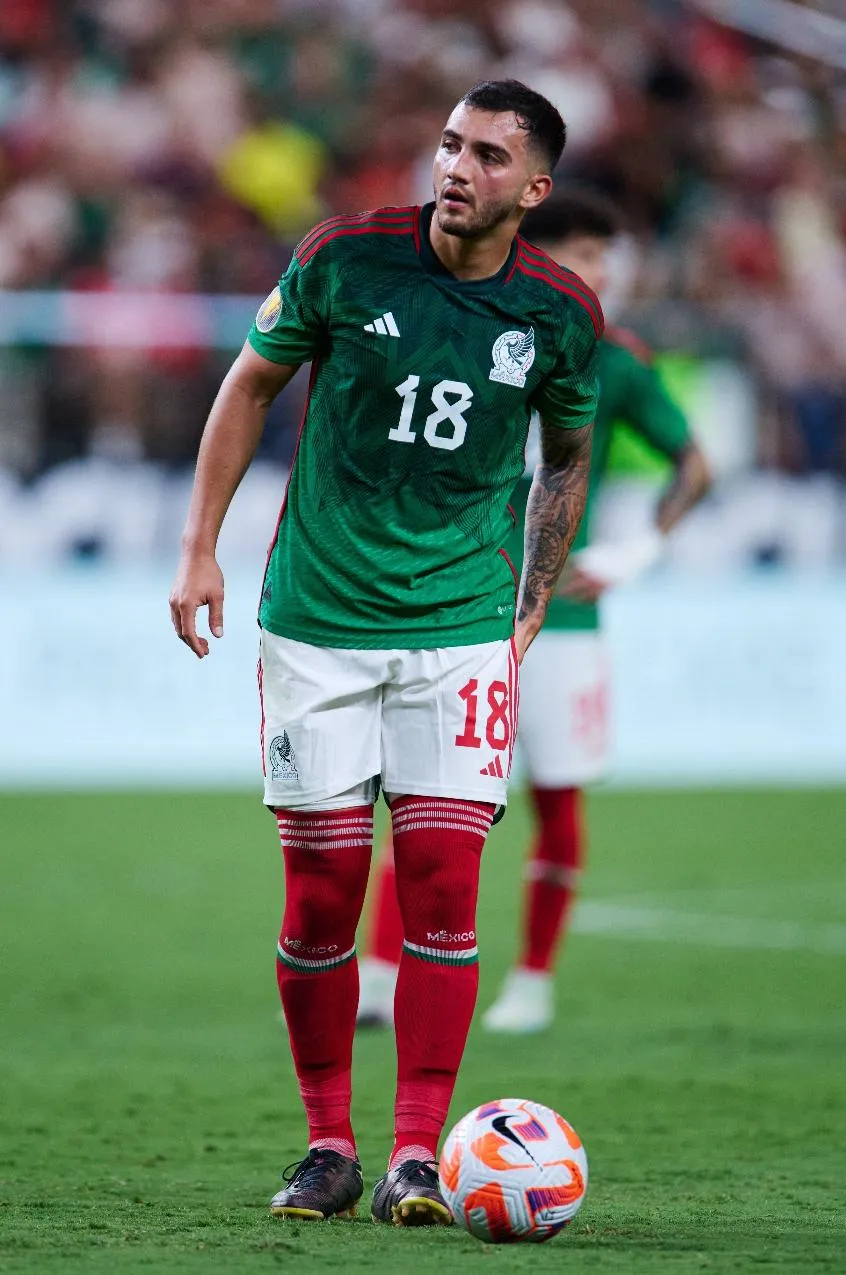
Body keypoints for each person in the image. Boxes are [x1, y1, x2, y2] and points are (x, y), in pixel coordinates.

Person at [169, 81, 603, 1226]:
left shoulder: (559, 313)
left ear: (534, 188)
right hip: (317, 621)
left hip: (458, 632)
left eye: (491, 156)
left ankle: (417, 1155)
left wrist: (532, 592)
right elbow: (249, 384)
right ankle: (327, 1144)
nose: (459, 167)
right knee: (319, 894)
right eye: (452, 145)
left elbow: (566, 455)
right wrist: (198, 548)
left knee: (444, 892)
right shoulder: (343, 258)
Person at [358, 189, 711, 1034]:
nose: (601, 273)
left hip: (560, 628)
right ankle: (377, 978)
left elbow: (694, 464)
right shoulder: (459, 329)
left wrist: (635, 552)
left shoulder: (615, 359)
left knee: (554, 799)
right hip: (455, 608)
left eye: (606, 259)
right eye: (586, 255)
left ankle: (533, 981)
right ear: (536, 253)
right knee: (421, 797)